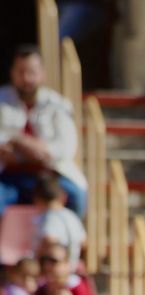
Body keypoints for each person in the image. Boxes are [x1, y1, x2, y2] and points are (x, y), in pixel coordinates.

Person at [0, 44, 89, 215]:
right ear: (12, 73)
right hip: (7, 176)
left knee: (76, 195)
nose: (26, 78)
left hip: (49, 176)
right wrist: (24, 144)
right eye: (21, 72)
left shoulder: (58, 104)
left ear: (42, 74)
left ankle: (66, 240)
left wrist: (22, 143)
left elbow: (65, 148)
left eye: (31, 72)